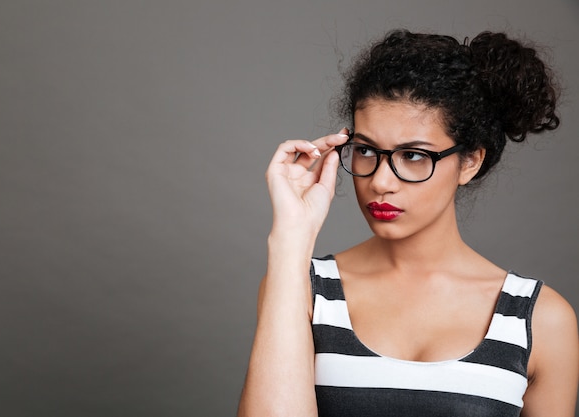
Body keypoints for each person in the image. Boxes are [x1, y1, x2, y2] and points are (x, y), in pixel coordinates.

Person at [237, 29, 579, 417]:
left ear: (470, 162)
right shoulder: (301, 288)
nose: (380, 181)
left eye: (414, 156)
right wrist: (290, 239)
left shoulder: (541, 319)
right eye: (366, 150)